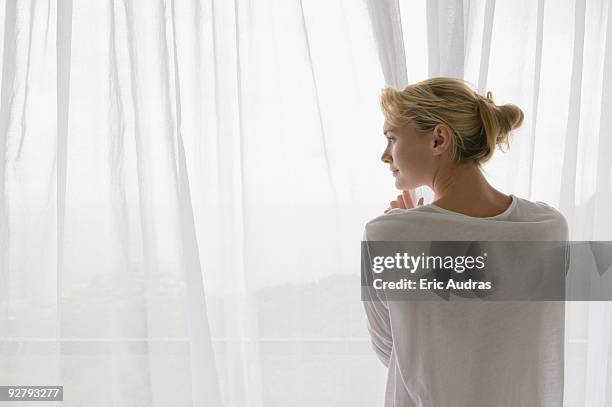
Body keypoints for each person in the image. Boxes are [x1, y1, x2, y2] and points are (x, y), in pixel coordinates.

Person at [362, 77, 568, 406]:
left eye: (392, 138)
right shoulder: (549, 227)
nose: (385, 156)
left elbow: (392, 350)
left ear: (439, 139)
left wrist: (411, 235)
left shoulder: (387, 235)